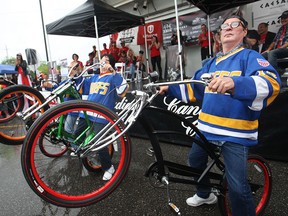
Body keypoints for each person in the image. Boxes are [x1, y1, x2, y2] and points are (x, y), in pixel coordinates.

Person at [159, 15, 281, 216]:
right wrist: (168, 88)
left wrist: (236, 83)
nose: (228, 28)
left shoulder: (249, 57)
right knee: (195, 162)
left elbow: (272, 83)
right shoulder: (210, 63)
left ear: (243, 32)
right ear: (219, 34)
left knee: (237, 189)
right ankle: (205, 194)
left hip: (235, 135)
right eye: (225, 26)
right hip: (206, 130)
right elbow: (193, 89)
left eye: (235, 25)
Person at [73, 54, 129, 180]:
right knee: (77, 135)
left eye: (106, 61)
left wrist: (113, 72)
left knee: (100, 142)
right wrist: (76, 72)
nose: (103, 63)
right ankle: (88, 155)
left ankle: (109, 167)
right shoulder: (94, 77)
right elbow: (81, 87)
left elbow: (123, 90)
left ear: (111, 64)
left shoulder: (113, 77)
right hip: (87, 113)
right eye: (101, 61)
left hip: (102, 115)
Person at [262, 10, 288, 75]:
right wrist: (267, 50)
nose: (283, 20)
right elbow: (274, 41)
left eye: (285, 18)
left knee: (272, 53)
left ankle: (274, 73)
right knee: (262, 55)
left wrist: (280, 48)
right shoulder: (281, 28)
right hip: (278, 50)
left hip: (285, 49)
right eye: (282, 18)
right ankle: (263, 74)